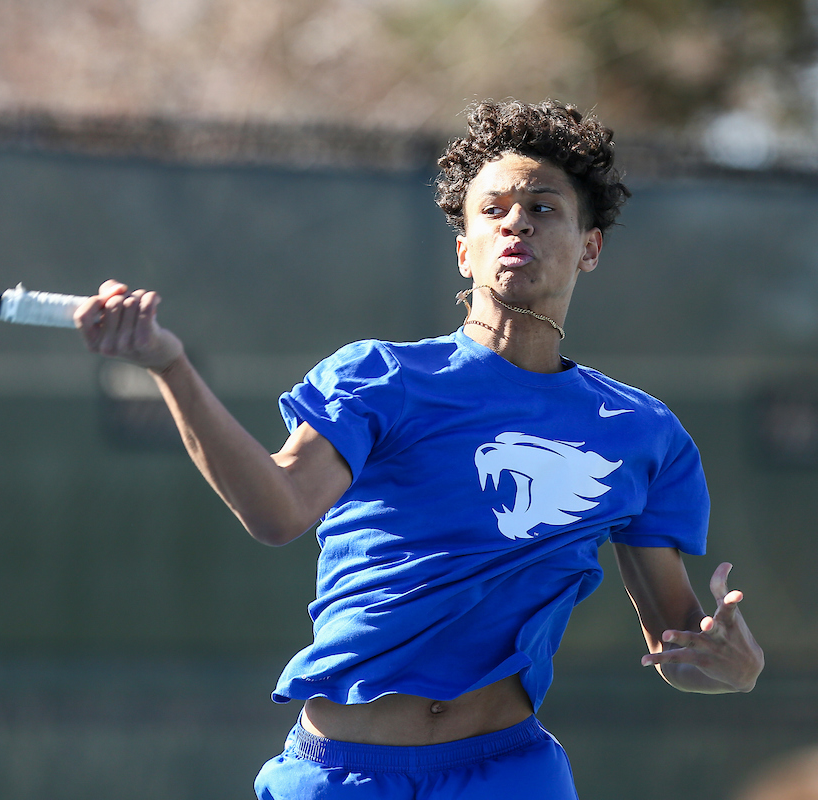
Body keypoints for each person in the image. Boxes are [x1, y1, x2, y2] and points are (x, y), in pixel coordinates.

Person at [72, 99, 764, 798]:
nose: (515, 222)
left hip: (512, 774)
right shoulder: (382, 379)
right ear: (464, 248)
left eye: (544, 207)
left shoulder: (642, 432)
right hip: (342, 775)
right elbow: (278, 512)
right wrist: (169, 366)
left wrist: (730, 666)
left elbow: (676, 647)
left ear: (591, 245)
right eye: (491, 210)